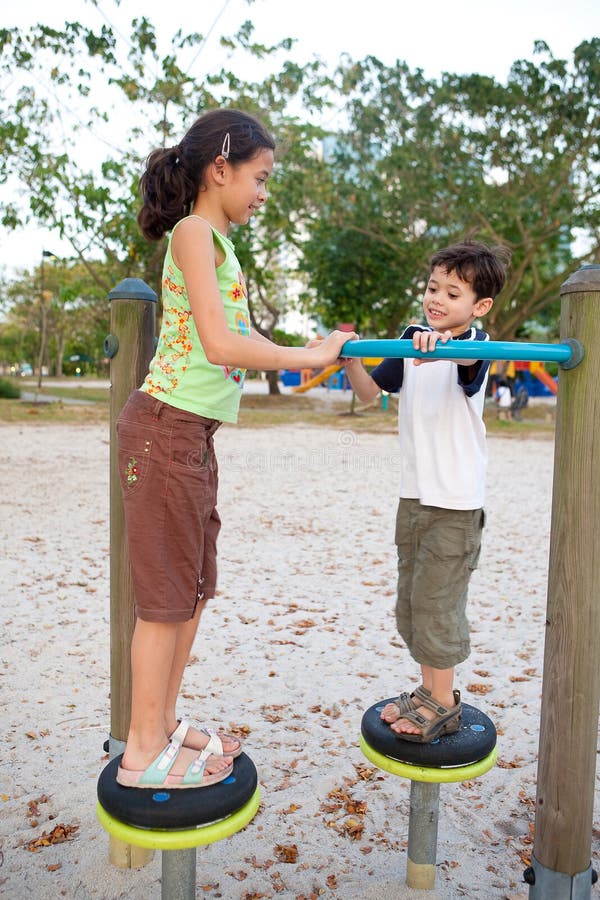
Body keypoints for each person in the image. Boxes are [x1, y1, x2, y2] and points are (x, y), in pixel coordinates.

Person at [115, 108, 354, 788]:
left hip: (192, 434)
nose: (263, 192)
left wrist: (311, 356)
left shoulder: (222, 245)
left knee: (191, 592)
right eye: (260, 177)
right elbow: (220, 345)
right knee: (164, 598)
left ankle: (161, 724)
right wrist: (303, 353)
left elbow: (236, 346)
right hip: (165, 428)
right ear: (220, 169)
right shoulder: (194, 232)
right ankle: (140, 749)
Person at [344, 240, 509, 743]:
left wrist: (443, 346)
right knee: (413, 604)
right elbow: (372, 393)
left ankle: (443, 702)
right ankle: (425, 691)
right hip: (414, 498)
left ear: (477, 306)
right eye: (433, 287)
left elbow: (466, 370)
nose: (437, 299)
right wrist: (347, 355)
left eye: (452, 293)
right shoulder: (411, 338)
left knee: (438, 607)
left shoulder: (476, 344)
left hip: (455, 503)